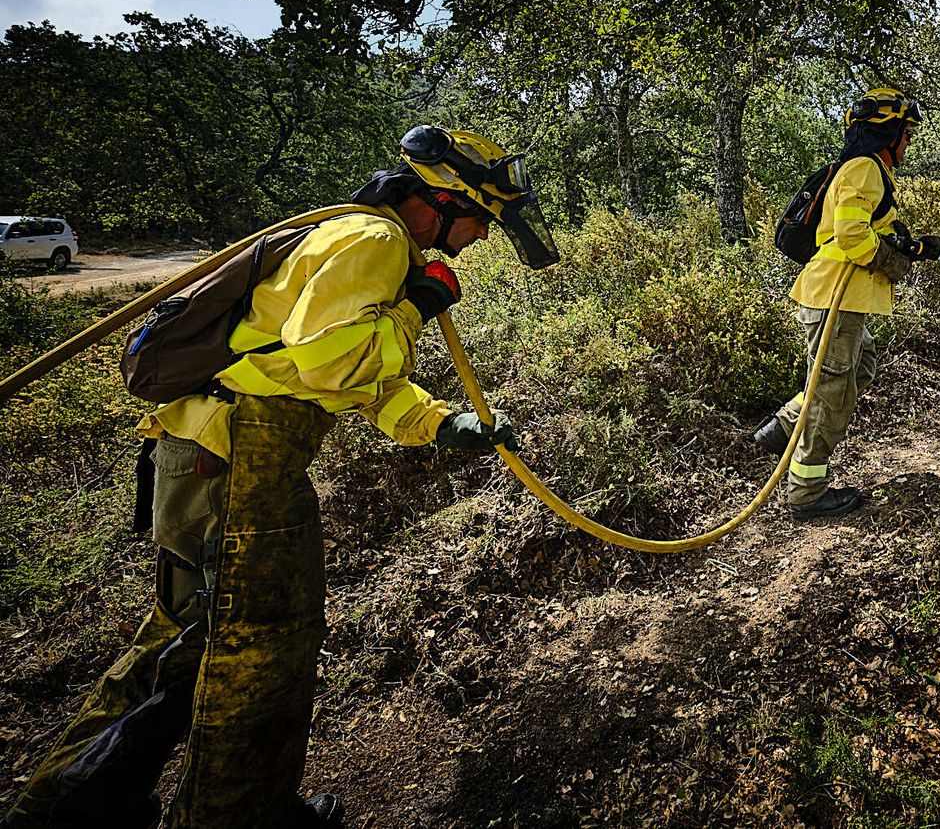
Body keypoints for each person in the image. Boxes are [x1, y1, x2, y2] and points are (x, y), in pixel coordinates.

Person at [3, 126, 556, 829]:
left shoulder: (364, 238)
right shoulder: (377, 242)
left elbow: (324, 373)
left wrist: (440, 423)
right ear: (443, 200)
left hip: (204, 452)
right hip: (238, 462)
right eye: (481, 220)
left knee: (184, 644)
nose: (479, 238)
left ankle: (68, 806)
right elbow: (330, 362)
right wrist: (418, 308)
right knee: (258, 648)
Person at [752, 88, 940, 519]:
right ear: (889, 132)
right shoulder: (864, 168)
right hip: (835, 294)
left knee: (860, 368)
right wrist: (893, 262)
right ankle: (806, 491)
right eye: (907, 133)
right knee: (835, 391)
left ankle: (787, 423)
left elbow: (881, 227)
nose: (909, 142)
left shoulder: (871, 171)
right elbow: (852, 235)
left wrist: (917, 247)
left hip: (840, 297)